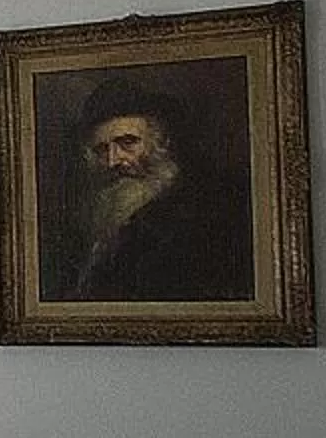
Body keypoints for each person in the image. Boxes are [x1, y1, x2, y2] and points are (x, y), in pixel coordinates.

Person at [54, 79, 253, 302]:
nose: (112, 161)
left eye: (128, 142)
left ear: (160, 142)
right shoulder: (96, 218)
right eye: (101, 149)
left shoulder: (204, 210)